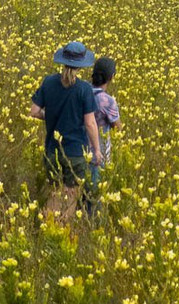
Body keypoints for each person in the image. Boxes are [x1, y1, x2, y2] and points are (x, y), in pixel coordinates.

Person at [30, 41, 103, 223]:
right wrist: (97, 149)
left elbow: (34, 111)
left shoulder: (49, 82)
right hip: (75, 154)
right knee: (70, 196)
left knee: (54, 193)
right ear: (81, 65)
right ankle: (61, 231)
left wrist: (52, 115)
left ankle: (47, 229)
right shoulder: (84, 89)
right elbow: (90, 123)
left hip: (52, 150)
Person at [89, 56, 120, 213]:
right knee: (95, 201)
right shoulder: (107, 101)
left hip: (77, 152)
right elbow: (117, 127)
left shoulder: (82, 92)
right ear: (111, 77)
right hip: (98, 155)